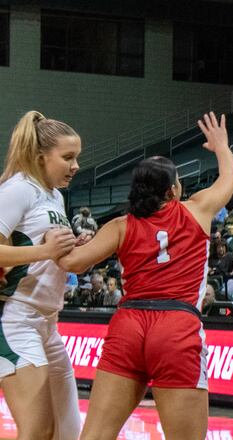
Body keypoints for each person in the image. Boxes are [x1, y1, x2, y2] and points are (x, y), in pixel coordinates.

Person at [54, 112, 233, 439]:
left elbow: (73, 263)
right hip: (176, 326)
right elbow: (229, 179)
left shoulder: (121, 226)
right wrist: (221, 146)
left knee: (95, 435)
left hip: (129, 325)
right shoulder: (197, 210)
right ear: (172, 191)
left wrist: (55, 240)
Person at [0, 111, 81, 440]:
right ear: (40, 157)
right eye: (68, 157)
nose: (75, 166)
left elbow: (47, 250)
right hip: (16, 319)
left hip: (48, 323)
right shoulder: (18, 189)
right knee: (37, 430)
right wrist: (44, 252)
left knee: (68, 431)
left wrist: (74, 251)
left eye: (77, 157)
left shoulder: (55, 196)